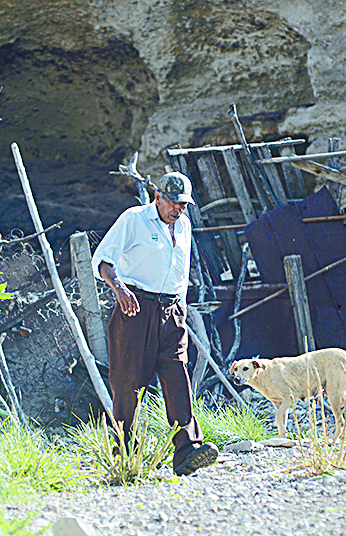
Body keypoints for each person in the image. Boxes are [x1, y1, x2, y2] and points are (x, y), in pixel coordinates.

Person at [91, 171, 218, 476]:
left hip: (171, 312)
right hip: (135, 309)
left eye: (184, 205)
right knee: (128, 385)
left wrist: (181, 310)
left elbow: (181, 272)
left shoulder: (184, 225)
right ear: (158, 197)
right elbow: (103, 260)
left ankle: (187, 451)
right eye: (174, 203)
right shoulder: (134, 219)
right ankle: (125, 457)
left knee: (177, 378)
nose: (179, 210)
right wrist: (120, 289)